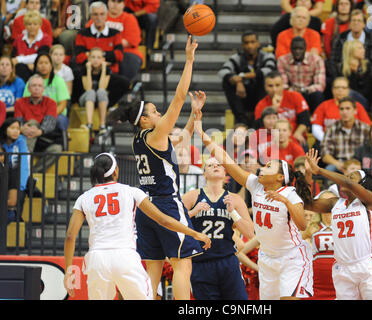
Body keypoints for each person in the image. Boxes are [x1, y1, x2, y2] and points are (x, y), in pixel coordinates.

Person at [106, 36, 205, 300]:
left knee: (153, 270)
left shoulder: (140, 139)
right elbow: (179, 96)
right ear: (145, 120)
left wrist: (195, 118)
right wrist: (189, 60)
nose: (160, 112)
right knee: (183, 265)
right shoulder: (155, 132)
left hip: (145, 208)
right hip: (167, 204)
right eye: (154, 111)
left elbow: (180, 139)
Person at [63, 152, 210, 300]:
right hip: (125, 256)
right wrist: (194, 233)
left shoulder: (84, 198)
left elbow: (70, 236)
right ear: (115, 171)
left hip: (97, 259)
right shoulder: (132, 191)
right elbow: (163, 220)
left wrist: (69, 270)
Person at [195, 118, 314, 300]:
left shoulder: (290, 194)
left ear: (279, 177)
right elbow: (228, 162)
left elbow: (303, 225)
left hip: (291, 258)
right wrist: (204, 136)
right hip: (267, 257)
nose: (262, 167)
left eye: (268, 166)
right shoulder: (256, 185)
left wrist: (286, 202)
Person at [304, 148, 372, 300]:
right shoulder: (335, 203)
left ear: (362, 184)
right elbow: (306, 203)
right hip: (342, 268)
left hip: (366, 266)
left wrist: (320, 170)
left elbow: (347, 183)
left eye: (351, 177)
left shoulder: (368, 202)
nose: (345, 178)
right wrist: (308, 174)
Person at [182, 157, 254, 300]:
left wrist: (233, 212)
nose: (215, 166)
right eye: (210, 165)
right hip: (200, 263)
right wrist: (192, 212)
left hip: (228, 261)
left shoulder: (235, 199)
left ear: (225, 172)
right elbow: (172, 224)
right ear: (204, 174)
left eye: (219, 164)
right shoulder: (191, 197)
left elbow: (250, 233)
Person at [218, 31, 276, 127]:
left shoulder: (266, 56)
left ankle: (259, 118)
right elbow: (223, 71)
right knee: (227, 82)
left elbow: (268, 70)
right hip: (243, 96)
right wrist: (237, 81)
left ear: (258, 43)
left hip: (260, 95)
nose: (249, 46)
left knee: (265, 79)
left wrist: (242, 77)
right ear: (242, 45)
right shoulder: (237, 58)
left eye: (252, 42)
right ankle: (242, 121)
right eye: (246, 43)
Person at [14, 74, 62, 173]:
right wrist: (22, 128)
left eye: (39, 86)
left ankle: (30, 173)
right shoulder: (20, 102)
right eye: (34, 85)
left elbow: (50, 123)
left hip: (43, 138)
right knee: (32, 123)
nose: (37, 88)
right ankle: (26, 162)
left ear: (43, 89)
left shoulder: (51, 103)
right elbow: (18, 122)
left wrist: (39, 131)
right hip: (24, 137)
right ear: (29, 88)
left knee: (57, 149)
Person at [87, 0, 143, 81]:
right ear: (108, 2)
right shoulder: (99, 16)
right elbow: (87, 35)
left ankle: (123, 89)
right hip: (99, 52)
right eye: (113, 1)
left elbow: (130, 41)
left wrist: (105, 43)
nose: (115, 5)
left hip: (125, 52)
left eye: (119, 2)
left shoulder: (129, 18)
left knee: (130, 60)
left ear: (124, 4)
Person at [254, 71, 310, 149]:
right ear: (265, 87)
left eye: (277, 85)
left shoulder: (295, 96)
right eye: (270, 86)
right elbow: (260, 127)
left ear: (282, 85)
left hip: (295, 136)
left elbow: (305, 120)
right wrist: (273, 109)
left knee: (302, 143)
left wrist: (297, 133)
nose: (274, 89)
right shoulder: (261, 105)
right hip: (272, 140)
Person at [311, 77, 371, 146]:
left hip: (354, 142)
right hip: (327, 141)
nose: (340, 90)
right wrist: (326, 139)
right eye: (337, 87)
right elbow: (316, 128)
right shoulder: (323, 106)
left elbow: (367, 127)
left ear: (348, 90)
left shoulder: (357, 106)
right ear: (332, 90)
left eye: (343, 88)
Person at [23, 53, 71, 135]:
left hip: (56, 114)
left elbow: (62, 105)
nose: (43, 66)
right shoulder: (31, 81)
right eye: (40, 63)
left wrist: (48, 117)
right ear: (36, 66)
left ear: (51, 66)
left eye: (46, 63)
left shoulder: (59, 81)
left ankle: (63, 144)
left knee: (61, 120)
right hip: (34, 113)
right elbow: (26, 102)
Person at [320, 96, 370, 173]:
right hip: (339, 165)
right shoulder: (331, 129)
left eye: (348, 108)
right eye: (342, 109)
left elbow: (370, 152)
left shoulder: (365, 129)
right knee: (329, 169)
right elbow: (325, 155)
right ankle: (332, 185)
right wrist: (338, 164)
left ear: (355, 111)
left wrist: (358, 166)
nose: (344, 112)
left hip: (360, 165)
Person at [329, 9, 372, 80]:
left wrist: (366, 78)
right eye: (353, 20)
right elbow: (333, 61)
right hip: (343, 76)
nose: (356, 23)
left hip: (366, 79)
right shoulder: (340, 38)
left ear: (364, 24)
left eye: (359, 21)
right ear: (349, 23)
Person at [277, 36, 325, 112]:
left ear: (305, 49)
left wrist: (305, 90)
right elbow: (282, 84)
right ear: (290, 49)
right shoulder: (282, 60)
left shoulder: (316, 60)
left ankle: (316, 118)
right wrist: (293, 91)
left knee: (318, 95)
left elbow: (320, 84)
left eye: (300, 49)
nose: (297, 51)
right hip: (291, 93)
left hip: (309, 92)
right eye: (295, 49)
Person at [74, 1, 124, 75]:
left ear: (106, 15)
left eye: (102, 14)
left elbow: (119, 56)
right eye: (95, 14)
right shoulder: (82, 33)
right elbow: (79, 58)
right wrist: (106, 57)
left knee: (124, 83)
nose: (99, 18)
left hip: (110, 73)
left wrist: (92, 55)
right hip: (87, 72)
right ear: (91, 16)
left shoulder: (115, 33)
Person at [306, 190, 336, 300]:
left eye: (331, 201)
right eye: (324, 201)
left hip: (340, 284)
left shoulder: (344, 227)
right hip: (316, 285)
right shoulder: (312, 227)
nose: (328, 204)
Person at [11, 9, 52, 82]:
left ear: (40, 25)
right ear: (25, 25)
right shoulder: (19, 39)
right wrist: (27, 64)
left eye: (35, 24)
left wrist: (19, 59)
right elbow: (13, 59)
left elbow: (41, 56)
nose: (32, 27)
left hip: (39, 70)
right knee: (20, 68)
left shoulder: (45, 38)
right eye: (29, 24)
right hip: (20, 71)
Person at [79, 47, 111, 138]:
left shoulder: (107, 70)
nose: (96, 60)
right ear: (89, 59)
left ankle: (102, 125)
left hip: (101, 99)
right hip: (85, 99)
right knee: (91, 92)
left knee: (101, 91)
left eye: (98, 57)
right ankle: (89, 124)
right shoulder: (84, 69)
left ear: (103, 59)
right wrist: (89, 70)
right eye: (93, 57)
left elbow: (102, 87)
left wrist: (104, 69)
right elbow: (88, 88)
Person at [338, 39, 372, 111]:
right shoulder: (342, 67)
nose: (363, 50)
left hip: (364, 100)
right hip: (346, 99)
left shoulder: (366, 65)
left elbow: (368, 89)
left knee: (348, 92)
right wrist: (353, 72)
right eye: (360, 48)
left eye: (363, 48)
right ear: (351, 51)